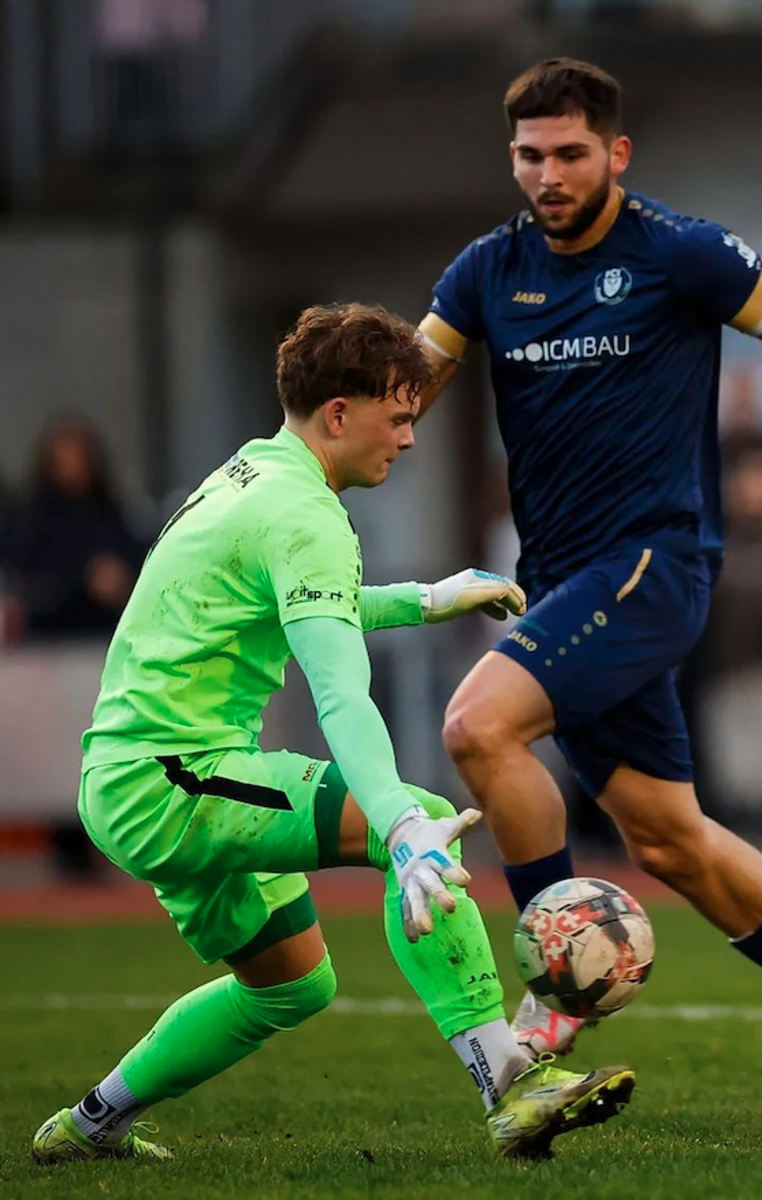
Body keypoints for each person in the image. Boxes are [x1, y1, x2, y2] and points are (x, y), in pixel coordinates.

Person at [31, 303, 634, 1166]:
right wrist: (400, 824)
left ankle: (90, 1123)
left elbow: (303, 603)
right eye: (399, 417)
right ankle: (511, 1083)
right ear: (341, 414)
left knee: (293, 985)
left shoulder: (254, 471)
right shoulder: (304, 513)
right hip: (174, 777)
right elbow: (340, 692)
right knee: (423, 818)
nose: (411, 439)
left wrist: (426, 599)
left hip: (135, 777)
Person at [415, 57, 762, 1058]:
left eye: (570, 153)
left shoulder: (682, 253)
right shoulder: (486, 271)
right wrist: (300, 453)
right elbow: (405, 391)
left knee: (478, 727)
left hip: (653, 567)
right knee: (671, 843)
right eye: (531, 155)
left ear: (617, 153)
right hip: (564, 584)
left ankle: (554, 989)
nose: (549, 174)